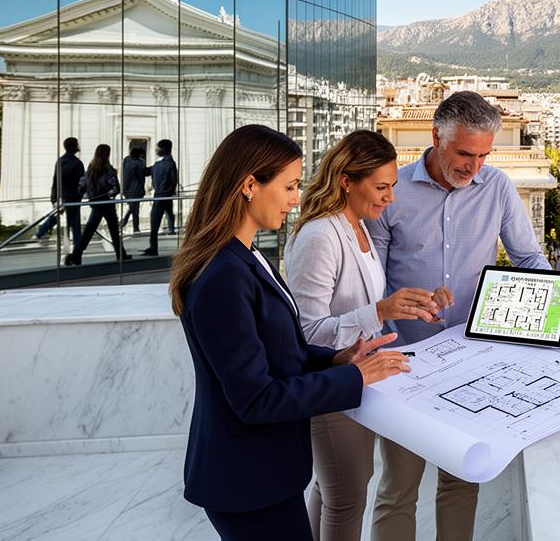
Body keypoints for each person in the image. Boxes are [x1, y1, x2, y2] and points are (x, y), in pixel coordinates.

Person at [172, 124, 411, 540]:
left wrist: (336, 359)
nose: (297, 199)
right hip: (247, 480)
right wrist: (353, 378)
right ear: (249, 184)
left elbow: (280, 349)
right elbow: (256, 399)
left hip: (264, 474)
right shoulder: (224, 276)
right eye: (289, 186)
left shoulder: (246, 256)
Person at [368, 91, 560, 541]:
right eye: (464, 153)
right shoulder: (392, 193)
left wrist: (558, 293)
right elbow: (371, 283)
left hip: (472, 360)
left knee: (461, 483)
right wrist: (403, 303)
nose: (473, 166)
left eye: (483, 155)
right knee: (398, 488)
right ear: (436, 137)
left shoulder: (497, 187)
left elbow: (528, 258)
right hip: (403, 362)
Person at [285, 129, 448, 541]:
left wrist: (409, 304)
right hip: (331, 383)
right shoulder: (321, 236)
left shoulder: (357, 227)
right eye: (380, 187)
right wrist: (379, 310)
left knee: (333, 489)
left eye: (392, 186)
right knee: (347, 497)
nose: (390, 198)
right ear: (346, 181)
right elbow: (306, 333)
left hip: (357, 380)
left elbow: (360, 302)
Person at [63, 144, 131, 266]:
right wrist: (108, 194)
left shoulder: (91, 168)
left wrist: (88, 196)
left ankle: (76, 255)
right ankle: (120, 255)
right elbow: (115, 188)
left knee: (89, 230)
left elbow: (82, 186)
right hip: (106, 203)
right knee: (113, 230)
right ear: (107, 154)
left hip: (95, 203)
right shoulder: (108, 169)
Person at [34, 137, 84, 245]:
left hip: (62, 196)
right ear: (73, 147)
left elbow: (55, 180)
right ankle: (77, 245)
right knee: (75, 223)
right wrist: (82, 194)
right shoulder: (77, 163)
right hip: (74, 197)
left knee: (56, 217)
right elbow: (81, 183)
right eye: (77, 144)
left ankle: (40, 233)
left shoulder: (60, 161)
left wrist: (53, 197)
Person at [142, 139, 178, 256]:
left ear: (163, 150)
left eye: (157, 148)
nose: (156, 150)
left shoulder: (160, 164)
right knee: (167, 214)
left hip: (160, 195)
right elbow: (174, 181)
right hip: (166, 195)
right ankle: (156, 243)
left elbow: (147, 172)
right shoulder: (168, 163)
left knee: (155, 221)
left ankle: (153, 247)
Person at [120, 146, 147, 233]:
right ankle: (135, 228)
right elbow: (142, 175)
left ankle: (124, 223)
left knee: (133, 208)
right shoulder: (140, 163)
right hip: (136, 190)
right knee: (135, 209)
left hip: (126, 189)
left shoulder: (126, 160)